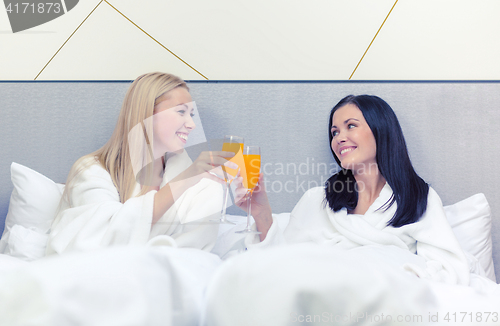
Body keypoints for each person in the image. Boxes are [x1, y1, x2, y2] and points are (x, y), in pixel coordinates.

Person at [235, 94, 470, 285]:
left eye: (351, 126)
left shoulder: (418, 197)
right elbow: (282, 266)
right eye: (335, 132)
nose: (339, 138)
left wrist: (400, 281)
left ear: (381, 130)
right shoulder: (317, 200)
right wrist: (260, 211)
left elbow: (448, 269)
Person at [46, 72, 236, 255]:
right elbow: (101, 238)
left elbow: (194, 250)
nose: (192, 124)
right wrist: (184, 180)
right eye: (181, 112)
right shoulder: (91, 171)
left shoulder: (199, 184)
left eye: (191, 115)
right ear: (147, 115)